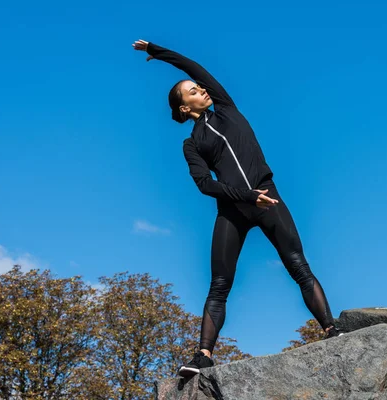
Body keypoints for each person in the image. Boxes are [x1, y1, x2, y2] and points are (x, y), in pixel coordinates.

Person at [132, 39, 343, 378]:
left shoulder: (226, 108)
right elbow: (205, 184)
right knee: (219, 284)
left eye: (199, 88)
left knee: (298, 267)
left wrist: (156, 51)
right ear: (184, 108)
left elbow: (194, 67)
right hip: (233, 210)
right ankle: (203, 356)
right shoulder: (192, 144)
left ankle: (332, 331)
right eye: (191, 91)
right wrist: (246, 196)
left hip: (269, 200)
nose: (200, 89)